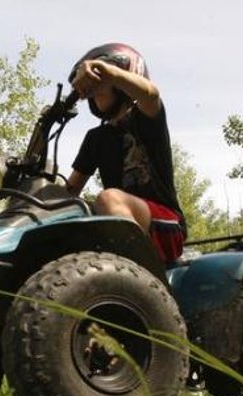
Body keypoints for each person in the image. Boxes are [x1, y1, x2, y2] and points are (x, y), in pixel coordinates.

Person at [65, 43, 187, 264]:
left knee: (109, 197)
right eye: (91, 91)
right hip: (123, 220)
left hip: (166, 224)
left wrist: (111, 74)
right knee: (73, 213)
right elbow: (69, 192)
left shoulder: (146, 117)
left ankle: (137, 279)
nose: (94, 95)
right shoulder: (96, 138)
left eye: (100, 87)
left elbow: (151, 94)